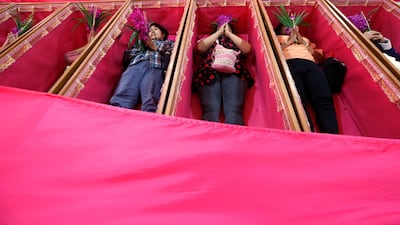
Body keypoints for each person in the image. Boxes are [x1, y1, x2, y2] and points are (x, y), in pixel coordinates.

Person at [275, 24, 339, 134]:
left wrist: (302, 41)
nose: (289, 27)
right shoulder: (277, 38)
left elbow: (320, 59)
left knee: (324, 100)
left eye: (291, 24)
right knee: (298, 101)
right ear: (280, 29)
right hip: (289, 64)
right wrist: (289, 42)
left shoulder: (305, 40)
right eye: (285, 26)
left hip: (311, 65)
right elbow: (273, 54)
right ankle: (306, 134)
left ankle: (333, 135)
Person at [193, 15, 254, 125]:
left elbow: (247, 50)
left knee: (233, 112)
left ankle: (235, 139)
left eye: (227, 26)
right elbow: (199, 48)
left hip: (235, 72)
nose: (224, 28)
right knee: (210, 112)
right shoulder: (209, 40)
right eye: (221, 26)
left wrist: (229, 34)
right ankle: (210, 140)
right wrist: (218, 33)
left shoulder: (236, 40)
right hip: (208, 73)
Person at [109, 22, 174, 112]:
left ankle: (149, 112)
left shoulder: (168, 43)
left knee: (150, 92)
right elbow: (129, 55)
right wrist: (141, 46)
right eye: (150, 31)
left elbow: (171, 53)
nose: (152, 32)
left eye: (155, 29)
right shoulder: (139, 43)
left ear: (163, 35)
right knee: (126, 85)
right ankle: (118, 109)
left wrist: (155, 47)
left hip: (154, 66)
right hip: (135, 65)